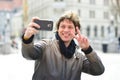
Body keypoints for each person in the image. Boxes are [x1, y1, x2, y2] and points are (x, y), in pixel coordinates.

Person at [21, 11, 105, 80]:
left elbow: (99, 70)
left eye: (70, 27)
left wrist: (87, 49)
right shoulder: (45, 45)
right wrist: (27, 38)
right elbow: (28, 54)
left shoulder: (79, 57)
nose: (66, 30)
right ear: (58, 29)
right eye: (63, 26)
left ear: (76, 31)